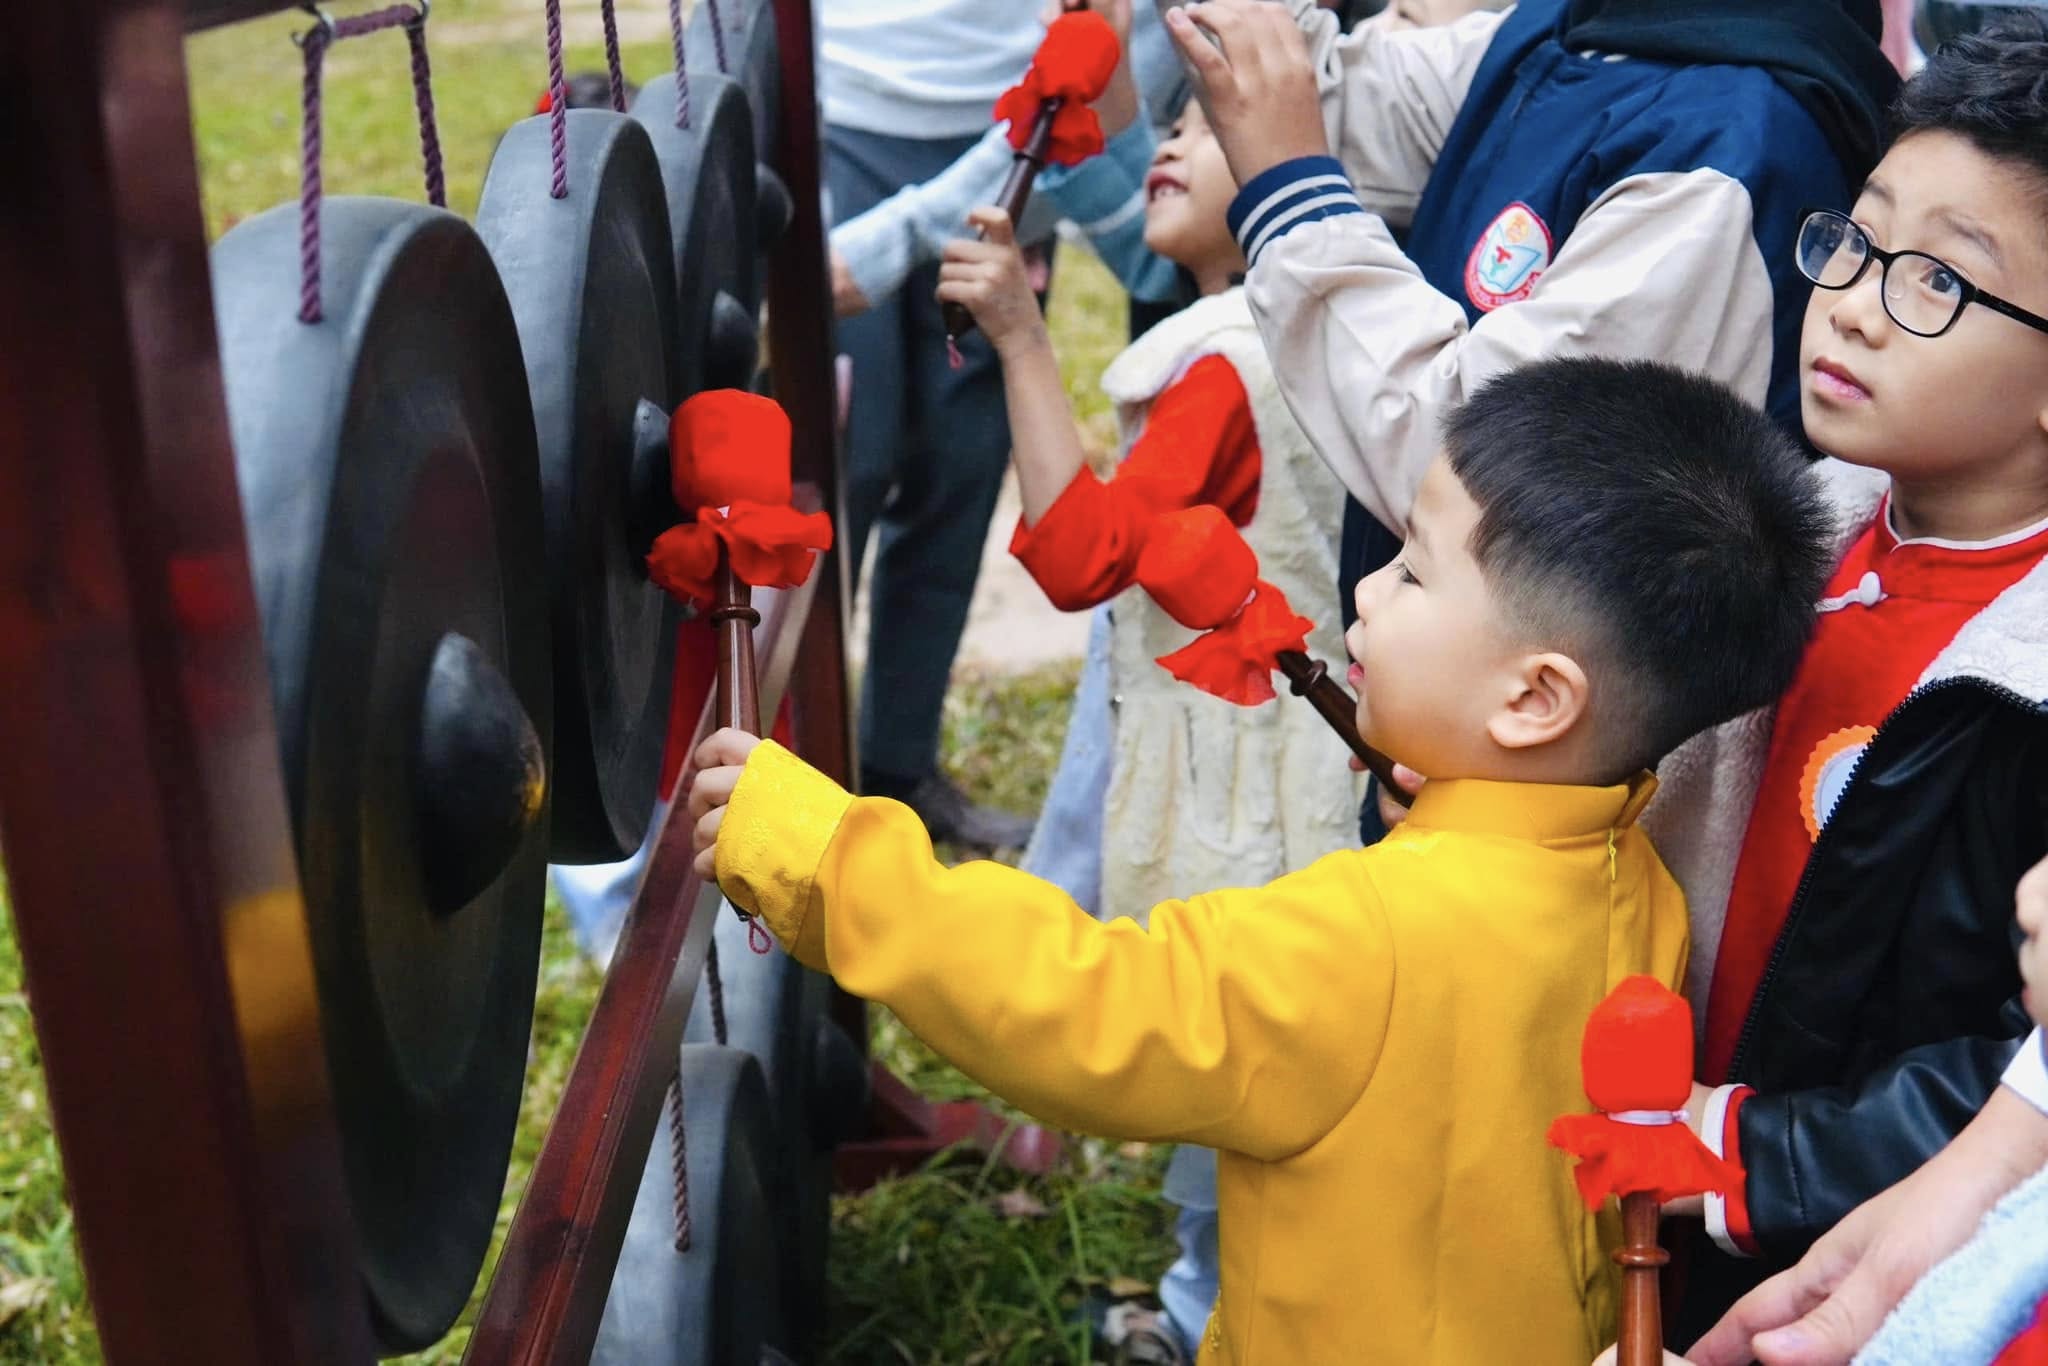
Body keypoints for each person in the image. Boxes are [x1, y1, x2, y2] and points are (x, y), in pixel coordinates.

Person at [685, 356, 1835, 1365]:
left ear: (1532, 698)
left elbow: (1088, 1004)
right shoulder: (1631, 874)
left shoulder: (1360, 934)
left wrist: (827, 854)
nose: (1366, 592)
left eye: (1413, 574)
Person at [939, 100, 1361, 1363]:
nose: (1166, 147)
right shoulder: (1316, 330)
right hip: (1300, 750)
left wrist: (1019, 336)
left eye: (1204, 124)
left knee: (1227, 1054)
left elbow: (1079, 556)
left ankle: (1207, 1324)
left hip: (1243, 778)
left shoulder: (1222, 359)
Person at [820, 0, 1048, 849]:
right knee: (839, 466)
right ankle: (791, 768)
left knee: (962, 463)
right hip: (838, 119)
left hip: (1015, 135)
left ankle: (898, 771)